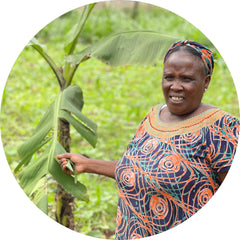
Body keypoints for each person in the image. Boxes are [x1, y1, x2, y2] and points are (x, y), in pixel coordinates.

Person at [57, 40, 240, 239]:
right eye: (169, 77)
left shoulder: (222, 127)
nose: (175, 86)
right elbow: (138, 169)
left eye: (186, 79)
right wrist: (88, 164)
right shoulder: (153, 116)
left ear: (206, 82)